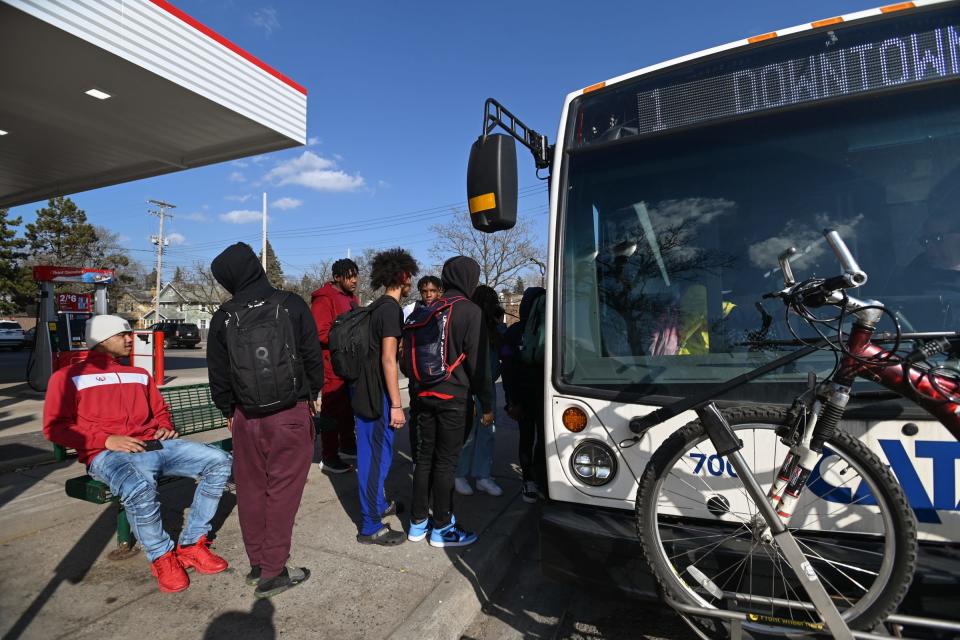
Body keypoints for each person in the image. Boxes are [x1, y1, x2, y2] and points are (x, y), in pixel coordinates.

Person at [43, 315, 232, 593]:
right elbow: (56, 428)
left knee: (219, 461)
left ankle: (192, 544)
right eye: (123, 335)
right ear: (102, 340)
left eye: (130, 334)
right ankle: (162, 556)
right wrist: (106, 440)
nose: (131, 339)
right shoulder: (68, 377)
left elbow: (160, 412)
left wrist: (166, 427)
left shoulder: (139, 374)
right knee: (139, 487)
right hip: (107, 455)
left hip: (153, 446)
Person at [207, 242, 324, 598]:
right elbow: (311, 356)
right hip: (290, 413)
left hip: (245, 417)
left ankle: (258, 563)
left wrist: (228, 410)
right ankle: (274, 572)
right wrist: (312, 394)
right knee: (283, 493)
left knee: (252, 491)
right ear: (255, 267)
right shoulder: (290, 305)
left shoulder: (224, 316)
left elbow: (219, 372)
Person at [407, 256, 494, 548]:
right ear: (469, 278)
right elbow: (480, 366)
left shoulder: (428, 309)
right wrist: (488, 404)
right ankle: (442, 527)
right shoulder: (470, 311)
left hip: (422, 394)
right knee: (445, 463)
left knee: (423, 459)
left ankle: (418, 523)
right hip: (453, 398)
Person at [352, 248, 419, 545]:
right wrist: (396, 405)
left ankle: (377, 506)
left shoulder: (376, 306)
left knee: (375, 455)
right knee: (375, 459)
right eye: (410, 278)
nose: (411, 284)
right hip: (377, 397)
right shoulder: (391, 309)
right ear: (403, 276)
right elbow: (389, 360)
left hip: (366, 392)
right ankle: (369, 526)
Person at [454, 285, 505, 497]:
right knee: (469, 434)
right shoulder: (471, 326)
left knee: (487, 432)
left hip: (488, 387)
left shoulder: (496, 330)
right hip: (470, 387)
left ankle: (482, 475)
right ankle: (459, 473)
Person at [311, 258, 360, 474]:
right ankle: (329, 457)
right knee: (331, 411)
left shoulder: (353, 298)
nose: (354, 280)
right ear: (337, 277)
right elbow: (320, 333)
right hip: (332, 365)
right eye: (349, 276)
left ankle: (348, 445)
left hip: (350, 364)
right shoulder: (324, 298)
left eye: (355, 276)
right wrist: (347, 340)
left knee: (348, 408)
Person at [501, 287, 547, 503]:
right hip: (524, 397)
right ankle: (529, 479)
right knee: (528, 438)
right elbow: (507, 370)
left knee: (544, 439)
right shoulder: (514, 332)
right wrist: (512, 401)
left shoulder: (551, 331)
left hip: (547, 397)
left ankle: (539, 477)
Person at [404, 275, 443, 464]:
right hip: (417, 378)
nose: (428, 295)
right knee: (417, 417)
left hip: (439, 377)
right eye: (424, 291)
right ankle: (417, 459)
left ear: (440, 291)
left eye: (432, 291)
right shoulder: (411, 311)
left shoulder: (445, 311)